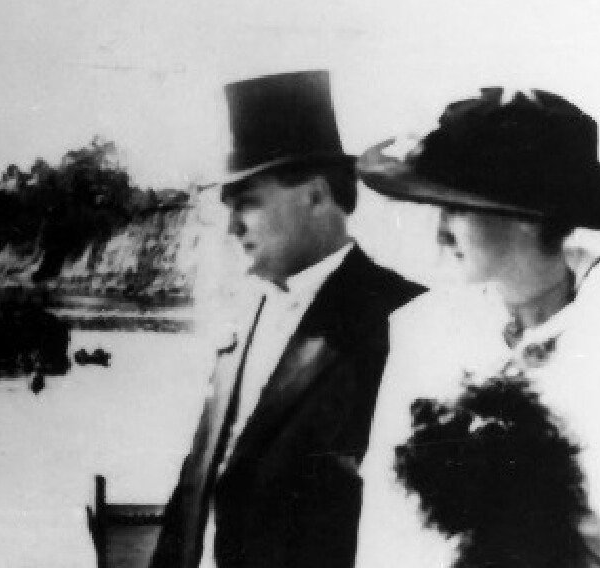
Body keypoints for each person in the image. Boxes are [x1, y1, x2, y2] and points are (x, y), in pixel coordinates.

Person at [354, 88, 600, 568]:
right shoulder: (421, 332)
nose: (442, 231)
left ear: (531, 218)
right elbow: (385, 529)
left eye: (459, 208)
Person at [149, 70, 423, 568]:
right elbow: (196, 488)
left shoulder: (398, 317)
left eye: (248, 204)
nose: (233, 227)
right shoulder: (245, 310)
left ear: (316, 196)